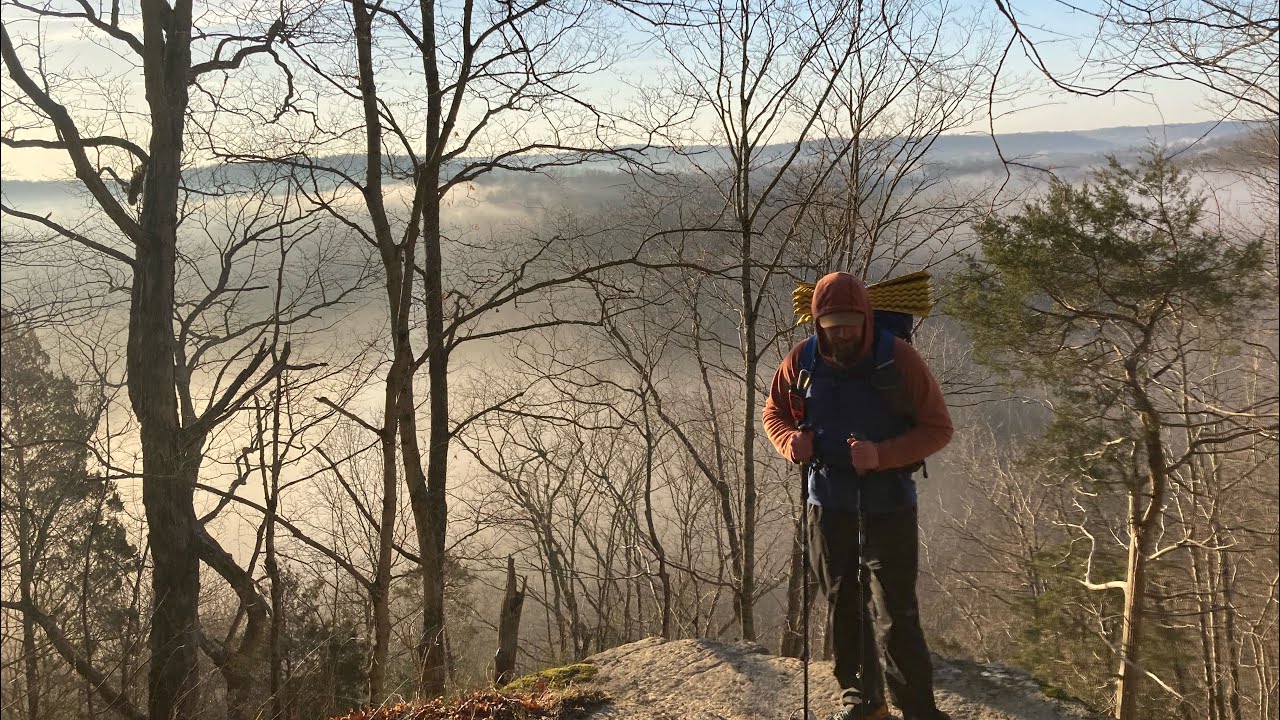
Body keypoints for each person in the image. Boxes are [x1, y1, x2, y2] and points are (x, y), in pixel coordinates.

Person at [764, 272, 953, 720]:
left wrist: (882, 455)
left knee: (896, 611)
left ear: (867, 318)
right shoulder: (801, 361)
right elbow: (774, 412)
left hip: (889, 505)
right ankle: (862, 700)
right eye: (832, 323)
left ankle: (917, 709)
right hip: (827, 504)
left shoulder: (898, 360)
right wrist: (791, 442)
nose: (843, 332)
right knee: (843, 604)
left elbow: (938, 428)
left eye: (850, 321)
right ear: (817, 321)